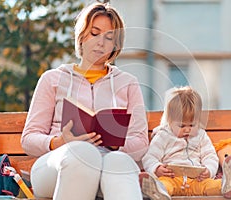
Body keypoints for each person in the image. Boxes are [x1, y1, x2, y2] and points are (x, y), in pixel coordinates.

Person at [21, 3, 148, 200]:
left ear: (116, 45)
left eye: (109, 38)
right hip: (55, 166)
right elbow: (28, 139)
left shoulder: (128, 83)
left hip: (108, 166)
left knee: (119, 162)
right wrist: (58, 142)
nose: (101, 43)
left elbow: (140, 143)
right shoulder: (52, 79)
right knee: (82, 153)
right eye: (94, 33)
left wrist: (116, 145)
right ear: (82, 35)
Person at [141, 86, 231, 199]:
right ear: (170, 122)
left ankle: (226, 186)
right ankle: (157, 192)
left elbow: (210, 156)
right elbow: (149, 157)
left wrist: (208, 170)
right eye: (181, 126)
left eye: (192, 125)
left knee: (209, 185)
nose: (187, 129)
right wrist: (157, 168)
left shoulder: (201, 136)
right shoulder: (163, 136)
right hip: (172, 179)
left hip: (196, 181)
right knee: (164, 184)